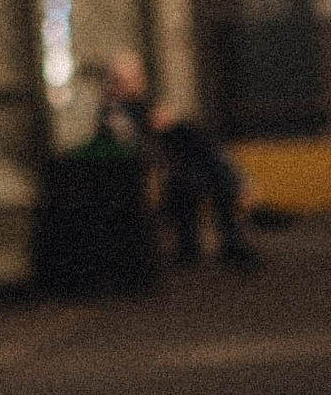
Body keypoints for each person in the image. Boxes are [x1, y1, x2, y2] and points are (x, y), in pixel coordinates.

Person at [98, 48, 259, 270]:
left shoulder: (145, 106)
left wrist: (167, 124)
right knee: (199, 174)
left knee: (205, 161)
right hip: (147, 172)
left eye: (138, 76)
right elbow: (129, 147)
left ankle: (227, 234)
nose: (139, 82)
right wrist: (153, 128)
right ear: (117, 82)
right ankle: (230, 222)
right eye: (131, 78)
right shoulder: (115, 112)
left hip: (175, 165)